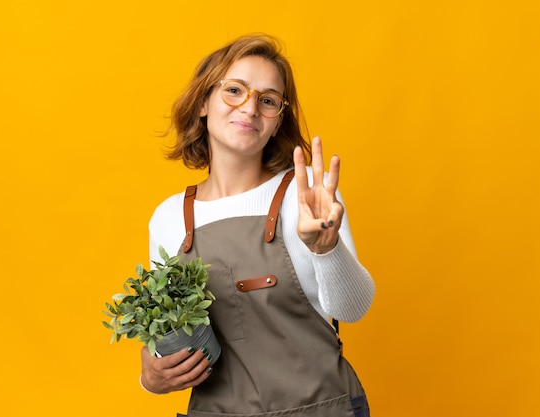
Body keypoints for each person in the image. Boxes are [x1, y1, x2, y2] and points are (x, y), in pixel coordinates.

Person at [140, 34, 375, 417]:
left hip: (322, 408)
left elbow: (353, 309)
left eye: (268, 100)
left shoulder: (309, 198)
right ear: (203, 102)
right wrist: (151, 376)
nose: (249, 108)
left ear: (278, 118)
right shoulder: (168, 218)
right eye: (234, 90)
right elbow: (165, 334)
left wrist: (326, 249)